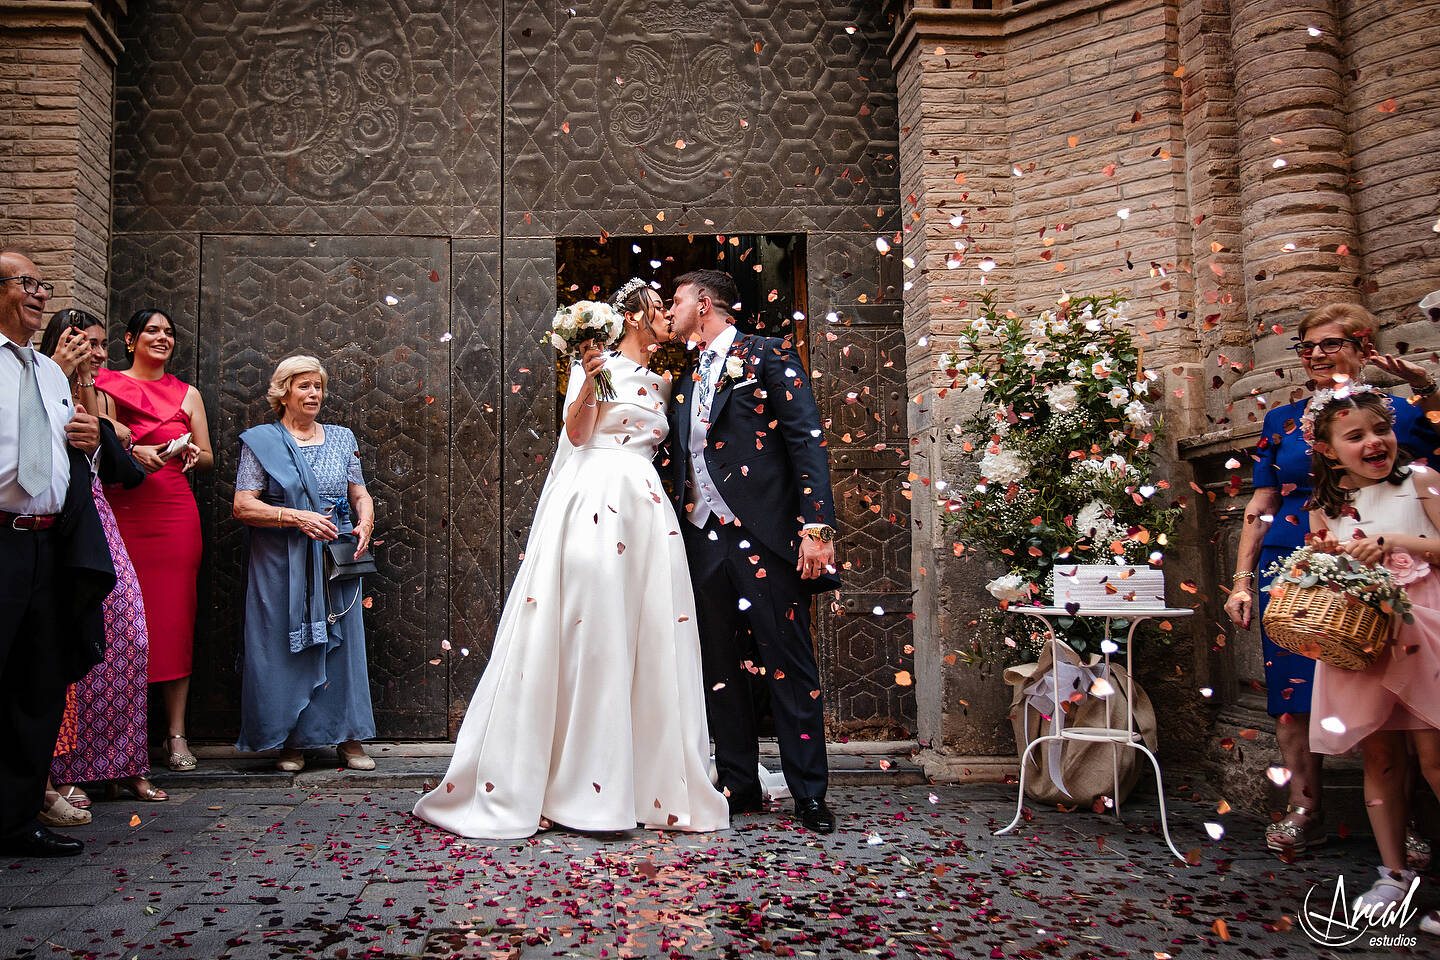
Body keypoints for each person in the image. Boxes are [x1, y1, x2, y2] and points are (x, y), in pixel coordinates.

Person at [414, 279, 729, 839]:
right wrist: (590, 376)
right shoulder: (596, 368)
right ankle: (572, 783)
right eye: (659, 310)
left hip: (646, 509)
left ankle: (636, 781)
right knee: (591, 627)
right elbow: (579, 436)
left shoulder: (665, 380)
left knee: (649, 634)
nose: (666, 320)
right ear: (634, 317)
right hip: (594, 500)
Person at [1223, 302, 1440, 858]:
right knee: (1295, 691)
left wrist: (1428, 389)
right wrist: (1243, 578)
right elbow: (1262, 499)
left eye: (1331, 343)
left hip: (1393, 563)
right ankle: (1304, 806)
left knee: (1404, 694)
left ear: (1364, 348)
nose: (1317, 354)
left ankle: (1410, 818)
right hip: (1300, 561)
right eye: (1306, 346)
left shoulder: (1398, 412)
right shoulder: (1282, 421)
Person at [661, 269, 840, 834]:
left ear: (704, 304)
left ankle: (810, 793)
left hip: (764, 535)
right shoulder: (686, 378)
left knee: (787, 662)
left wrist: (817, 529)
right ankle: (739, 786)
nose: (670, 311)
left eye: (677, 301)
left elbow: (805, 441)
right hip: (701, 536)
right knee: (719, 667)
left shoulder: (769, 355)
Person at [1301, 386, 1440, 922]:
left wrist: (1398, 544)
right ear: (1330, 450)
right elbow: (1327, 573)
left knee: (1433, 757)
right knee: (1379, 755)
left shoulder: (1421, 482)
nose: (1374, 442)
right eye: (1355, 435)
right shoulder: (1326, 507)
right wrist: (1323, 563)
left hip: (1425, 628)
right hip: (1365, 636)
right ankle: (1393, 876)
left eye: (1380, 430)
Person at [0, 250, 112, 857]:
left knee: (37, 685)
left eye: (43, 284)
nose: (40, 294)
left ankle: (16, 823)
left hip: (47, 541)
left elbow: (57, 451)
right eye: (26, 283)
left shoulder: (46, 372)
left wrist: (88, 441)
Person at [38, 310, 160, 805]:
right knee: (74, 644)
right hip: (61, 528)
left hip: (100, 521)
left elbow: (117, 469)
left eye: (101, 344)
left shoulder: (96, 396)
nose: (98, 352)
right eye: (88, 343)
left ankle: (124, 761)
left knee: (129, 637)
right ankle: (64, 769)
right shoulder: (41, 388)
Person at [231, 356, 377, 771]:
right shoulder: (262, 441)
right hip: (281, 561)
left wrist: (365, 520)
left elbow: (359, 493)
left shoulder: (341, 437)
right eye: (304, 386)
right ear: (284, 392)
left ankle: (348, 739)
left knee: (343, 646)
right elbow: (243, 505)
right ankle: (290, 741)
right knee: (284, 645)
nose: (314, 394)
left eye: (318, 387)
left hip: (335, 557)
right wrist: (295, 517)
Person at [96, 309, 212, 772]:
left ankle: (176, 734)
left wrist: (187, 452)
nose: (162, 337)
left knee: (173, 620)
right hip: (121, 508)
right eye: (152, 331)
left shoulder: (188, 394)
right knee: (118, 620)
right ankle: (120, 737)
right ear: (130, 339)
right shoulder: (104, 383)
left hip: (173, 512)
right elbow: (100, 442)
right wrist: (128, 445)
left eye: (169, 332)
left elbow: (207, 456)